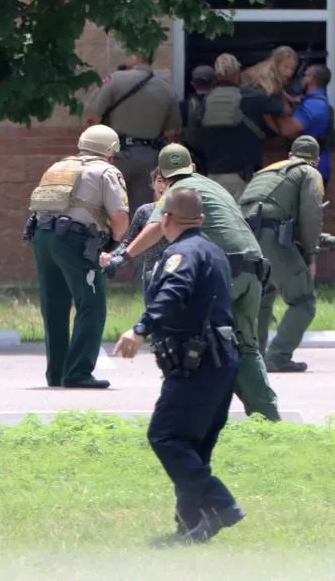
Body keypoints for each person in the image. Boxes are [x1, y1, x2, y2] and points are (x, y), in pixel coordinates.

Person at [103, 143, 281, 422]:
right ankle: (268, 419)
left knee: (188, 341)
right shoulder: (213, 187)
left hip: (223, 274)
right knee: (245, 347)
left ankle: (186, 418)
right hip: (253, 270)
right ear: (193, 167)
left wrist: (122, 257)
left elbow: (154, 228)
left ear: (163, 175)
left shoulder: (177, 191)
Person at [113, 187, 245, 545]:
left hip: (196, 362)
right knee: (194, 445)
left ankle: (221, 505)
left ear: (166, 219)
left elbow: (173, 293)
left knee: (166, 435)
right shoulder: (213, 250)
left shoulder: (181, 254)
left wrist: (140, 328)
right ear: (201, 219)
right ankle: (191, 525)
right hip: (221, 359)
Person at [24, 124, 129, 389]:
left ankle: (57, 372)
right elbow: (119, 217)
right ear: (110, 150)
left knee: (54, 305)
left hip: (42, 237)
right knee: (91, 304)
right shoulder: (107, 171)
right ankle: (78, 373)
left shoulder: (58, 167)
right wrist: (114, 244)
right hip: (75, 241)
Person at [238, 135, 324, 373]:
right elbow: (311, 215)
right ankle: (278, 356)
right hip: (272, 238)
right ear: (316, 160)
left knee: (263, 296)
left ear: (290, 155)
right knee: (303, 301)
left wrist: (332, 241)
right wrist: (310, 255)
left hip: (246, 237)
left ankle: (253, 357)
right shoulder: (310, 173)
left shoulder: (267, 172)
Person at [85, 51, 182, 216]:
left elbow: (91, 118)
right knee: (142, 213)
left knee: (109, 211)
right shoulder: (165, 88)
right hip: (149, 157)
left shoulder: (115, 80)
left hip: (115, 155)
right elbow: (172, 132)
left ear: (136, 57)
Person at [199, 53, 287, 201]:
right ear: (238, 72)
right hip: (242, 177)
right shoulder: (252, 97)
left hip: (212, 177)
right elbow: (281, 109)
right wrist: (279, 87)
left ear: (217, 75)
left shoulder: (206, 102)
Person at [108, 167, 170, 300]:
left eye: (168, 181)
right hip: (151, 272)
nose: (164, 185)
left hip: (175, 270)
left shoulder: (182, 210)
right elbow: (128, 243)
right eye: (159, 181)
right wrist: (111, 257)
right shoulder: (144, 211)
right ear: (152, 184)